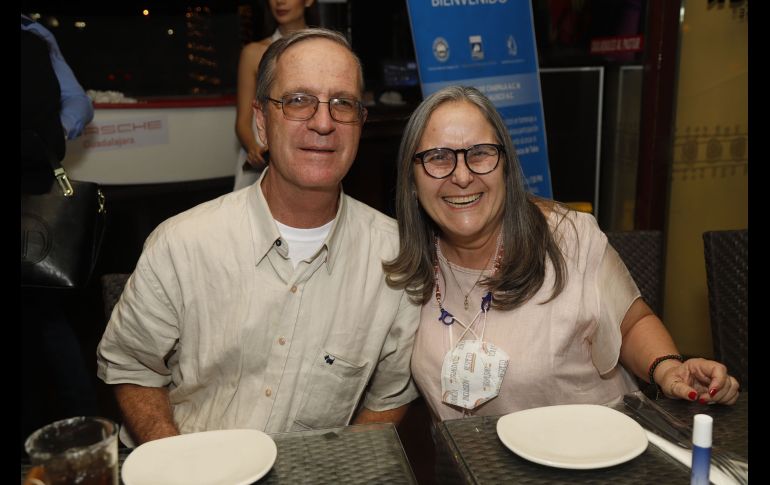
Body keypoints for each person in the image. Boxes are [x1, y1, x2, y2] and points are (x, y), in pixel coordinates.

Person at [97, 28, 420, 446]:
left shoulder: (395, 261)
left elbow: (388, 398)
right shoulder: (182, 244)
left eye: (342, 103)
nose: (323, 122)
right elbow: (132, 366)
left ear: (360, 124)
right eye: (298, 101)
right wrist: (174, 460)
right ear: (262, 124)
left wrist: (334, 469)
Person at [383, 86, 740, 424]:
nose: (462, 176)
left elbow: (630, 325)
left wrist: (667, 369)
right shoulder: (402, 270)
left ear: (505, 165)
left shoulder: (570, 238)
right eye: (438, 158)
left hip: (595, 457)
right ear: (412, 181)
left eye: (480, 153)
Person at [21, 13, 97, 451]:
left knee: (44, 320)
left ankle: (79, 436)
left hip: (32, 196)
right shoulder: (34, 35)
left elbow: (77, 103)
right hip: (35, 188)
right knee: (45, 322)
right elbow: (74, 103)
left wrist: (49, 138)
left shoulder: (34, 35)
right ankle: (79, 435)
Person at [233, 0, 317, 190]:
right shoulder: (253, 53)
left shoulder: (324, 52)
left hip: (309, 148)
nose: (280, 1)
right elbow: (242, 121)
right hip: (262, 155)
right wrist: (253, 148)